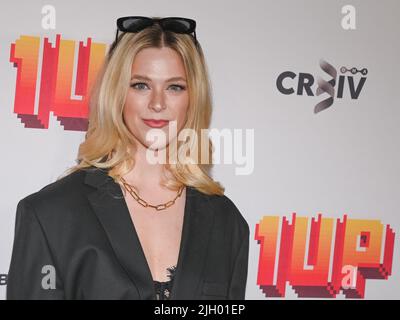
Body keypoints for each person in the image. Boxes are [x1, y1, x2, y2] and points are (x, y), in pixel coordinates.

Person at [6, 16, 250, 300]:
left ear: (194, 98)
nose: (157, 103)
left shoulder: (227, 223)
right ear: (117, 92)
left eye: (175, 87)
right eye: (140, 85)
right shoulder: (51, 215)